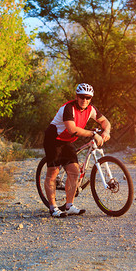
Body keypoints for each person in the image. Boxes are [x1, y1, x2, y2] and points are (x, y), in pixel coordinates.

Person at [43, 83, 111, 217]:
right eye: (81, 97)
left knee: (74, 172)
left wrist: (106, 131)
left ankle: (69, 206)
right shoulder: (68, 108)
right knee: (53, 172)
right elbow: (72, 130)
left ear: (91, 98)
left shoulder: (91, 109)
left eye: (88, 98)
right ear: (76, 96)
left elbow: (105, 122)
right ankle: (53, 208)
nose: (84, 100)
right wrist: (93, 134)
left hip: (66, 141)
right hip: (53, 139)